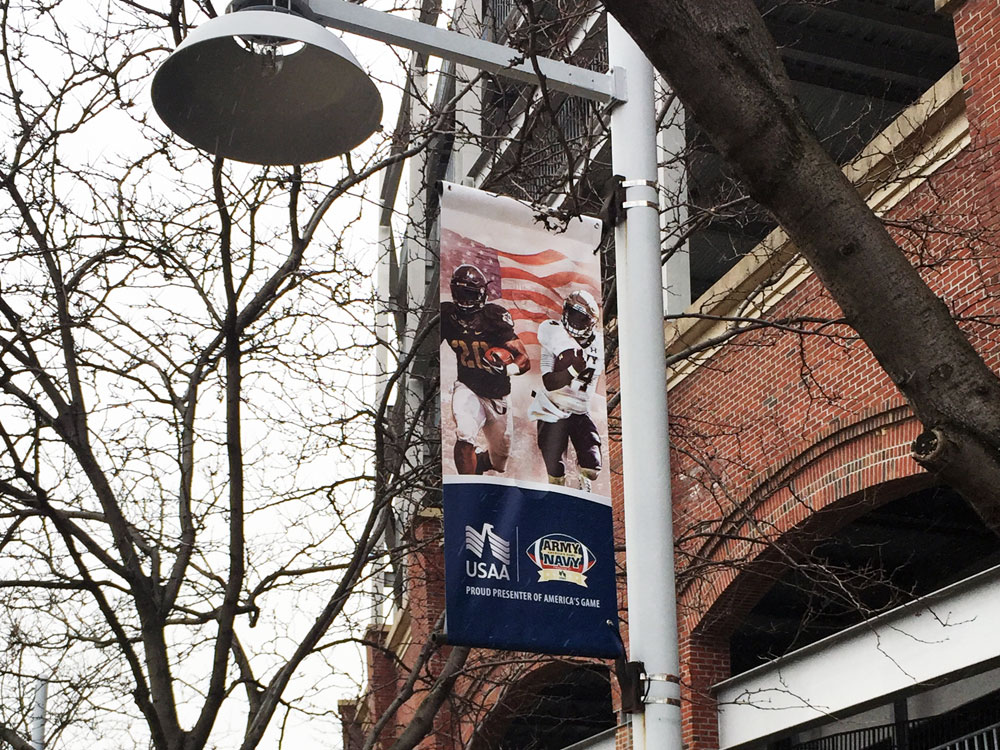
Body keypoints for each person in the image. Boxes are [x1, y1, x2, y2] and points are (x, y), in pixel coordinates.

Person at [442, 264, 530, 475]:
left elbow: (524, 360)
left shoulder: (493, 317)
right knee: (465, 434)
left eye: (470, 294)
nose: (465, 300)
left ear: (481, 294)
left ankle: (479, 463)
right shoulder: (446, 315)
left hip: (498, 395)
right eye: (461, 293)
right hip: (468, 387)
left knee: (499, 460)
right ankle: (468, 488)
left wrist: (505, 369)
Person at [528, 289, 604, 492]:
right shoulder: (552, 330)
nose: (576, 322)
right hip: (551, 409)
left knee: (592, 466)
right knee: (555, 471)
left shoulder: (599, 343)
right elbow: (549, 382)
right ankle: (558, 496)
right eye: (573, 315)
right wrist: (572, 369)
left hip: (579, 410)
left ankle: (583, 481)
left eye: (582, 319)